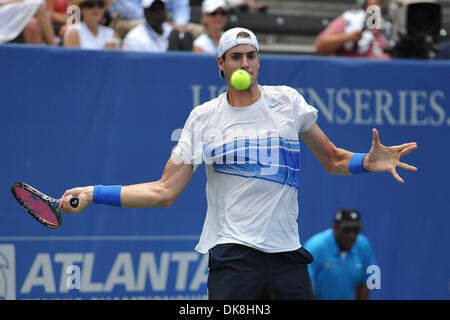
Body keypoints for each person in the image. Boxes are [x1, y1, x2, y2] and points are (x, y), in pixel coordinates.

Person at [59, 27, 418, 300]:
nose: (245, 63)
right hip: (234, 256)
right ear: (222, 64)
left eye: (251, 56)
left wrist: (367, 162)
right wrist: (94, 192)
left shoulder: (288, 103)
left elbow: (333, 158)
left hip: (287, 256)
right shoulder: (204, 119)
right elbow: (164, 191)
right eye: (236, 57)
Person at [304, 209, 376, 300]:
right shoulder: (315, 247)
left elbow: (366, 282)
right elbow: (304, 288)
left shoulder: (364, 246)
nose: (352, 235)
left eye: (356, 230)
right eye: (347, 230)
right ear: (335, 228)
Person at [315, 0, 391, 59]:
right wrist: (349, 37)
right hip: (352, 73)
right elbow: (321, 45)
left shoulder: (389, 24)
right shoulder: (349, 19)